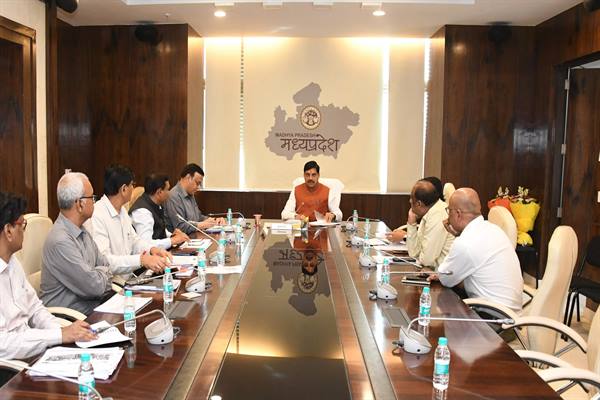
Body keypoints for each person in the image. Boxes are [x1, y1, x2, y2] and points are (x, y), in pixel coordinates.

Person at [0, 191, 96, 377]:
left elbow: (35, 309)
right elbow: (4, 344)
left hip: (33, 352)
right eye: (22, 224)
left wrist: (63, 332)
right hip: (11, 370)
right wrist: (59, 335)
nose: (24, 231)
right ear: (8, 231)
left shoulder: (12, 263)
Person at [432, 188, 523, 311]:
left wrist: (443, 274)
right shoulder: (494, 229)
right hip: (509, 312)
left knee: (439, 307)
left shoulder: (466, 242)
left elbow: (445, 279)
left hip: (493, 316)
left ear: (458, 214)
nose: (447, 217)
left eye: (449, 211)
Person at [41, 173, 115, 315]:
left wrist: (98, 274)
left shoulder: (82, 230)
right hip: (70, 319)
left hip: (93, 310)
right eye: (92, 197)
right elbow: (94, 287)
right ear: (79, 204)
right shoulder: (61, 241)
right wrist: (100, 274)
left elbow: (106, 265)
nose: (94, 202)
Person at [87, 165, 171, 277]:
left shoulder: (121, 210)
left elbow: (135, 241)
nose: (133, 188)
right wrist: (141, 260)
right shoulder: (97, 215)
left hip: (129, 278)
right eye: (132, 184)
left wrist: (152, 249)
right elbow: (105, 261)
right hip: (111, 284)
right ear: (124, 189)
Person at [386, 179, 454, 269]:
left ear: (419, 203)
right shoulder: (429, 212)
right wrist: (411, 222)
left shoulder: (438, 215)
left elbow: (426, 260)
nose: (410, 201)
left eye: (411, 200)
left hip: (439, 273)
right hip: (429, 270)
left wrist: (418, 255)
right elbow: (414, 253)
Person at [129, 173, 189, 249]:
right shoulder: (142, 212)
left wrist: (172, 235)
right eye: (167, 189)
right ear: (159, 192)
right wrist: (172, 240)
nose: (169, 193)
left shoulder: (156, 204)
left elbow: (158, 230)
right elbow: (145, 244)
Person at [164, 163, 223, 235]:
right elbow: (180, 227)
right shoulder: (173, 196)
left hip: (193, 237)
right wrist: (201, 225)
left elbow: (198, 217)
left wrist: (214, 220)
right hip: (181, 240)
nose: (198, 187)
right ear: (188, 178)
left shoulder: (190, 194)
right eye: (197, 183)